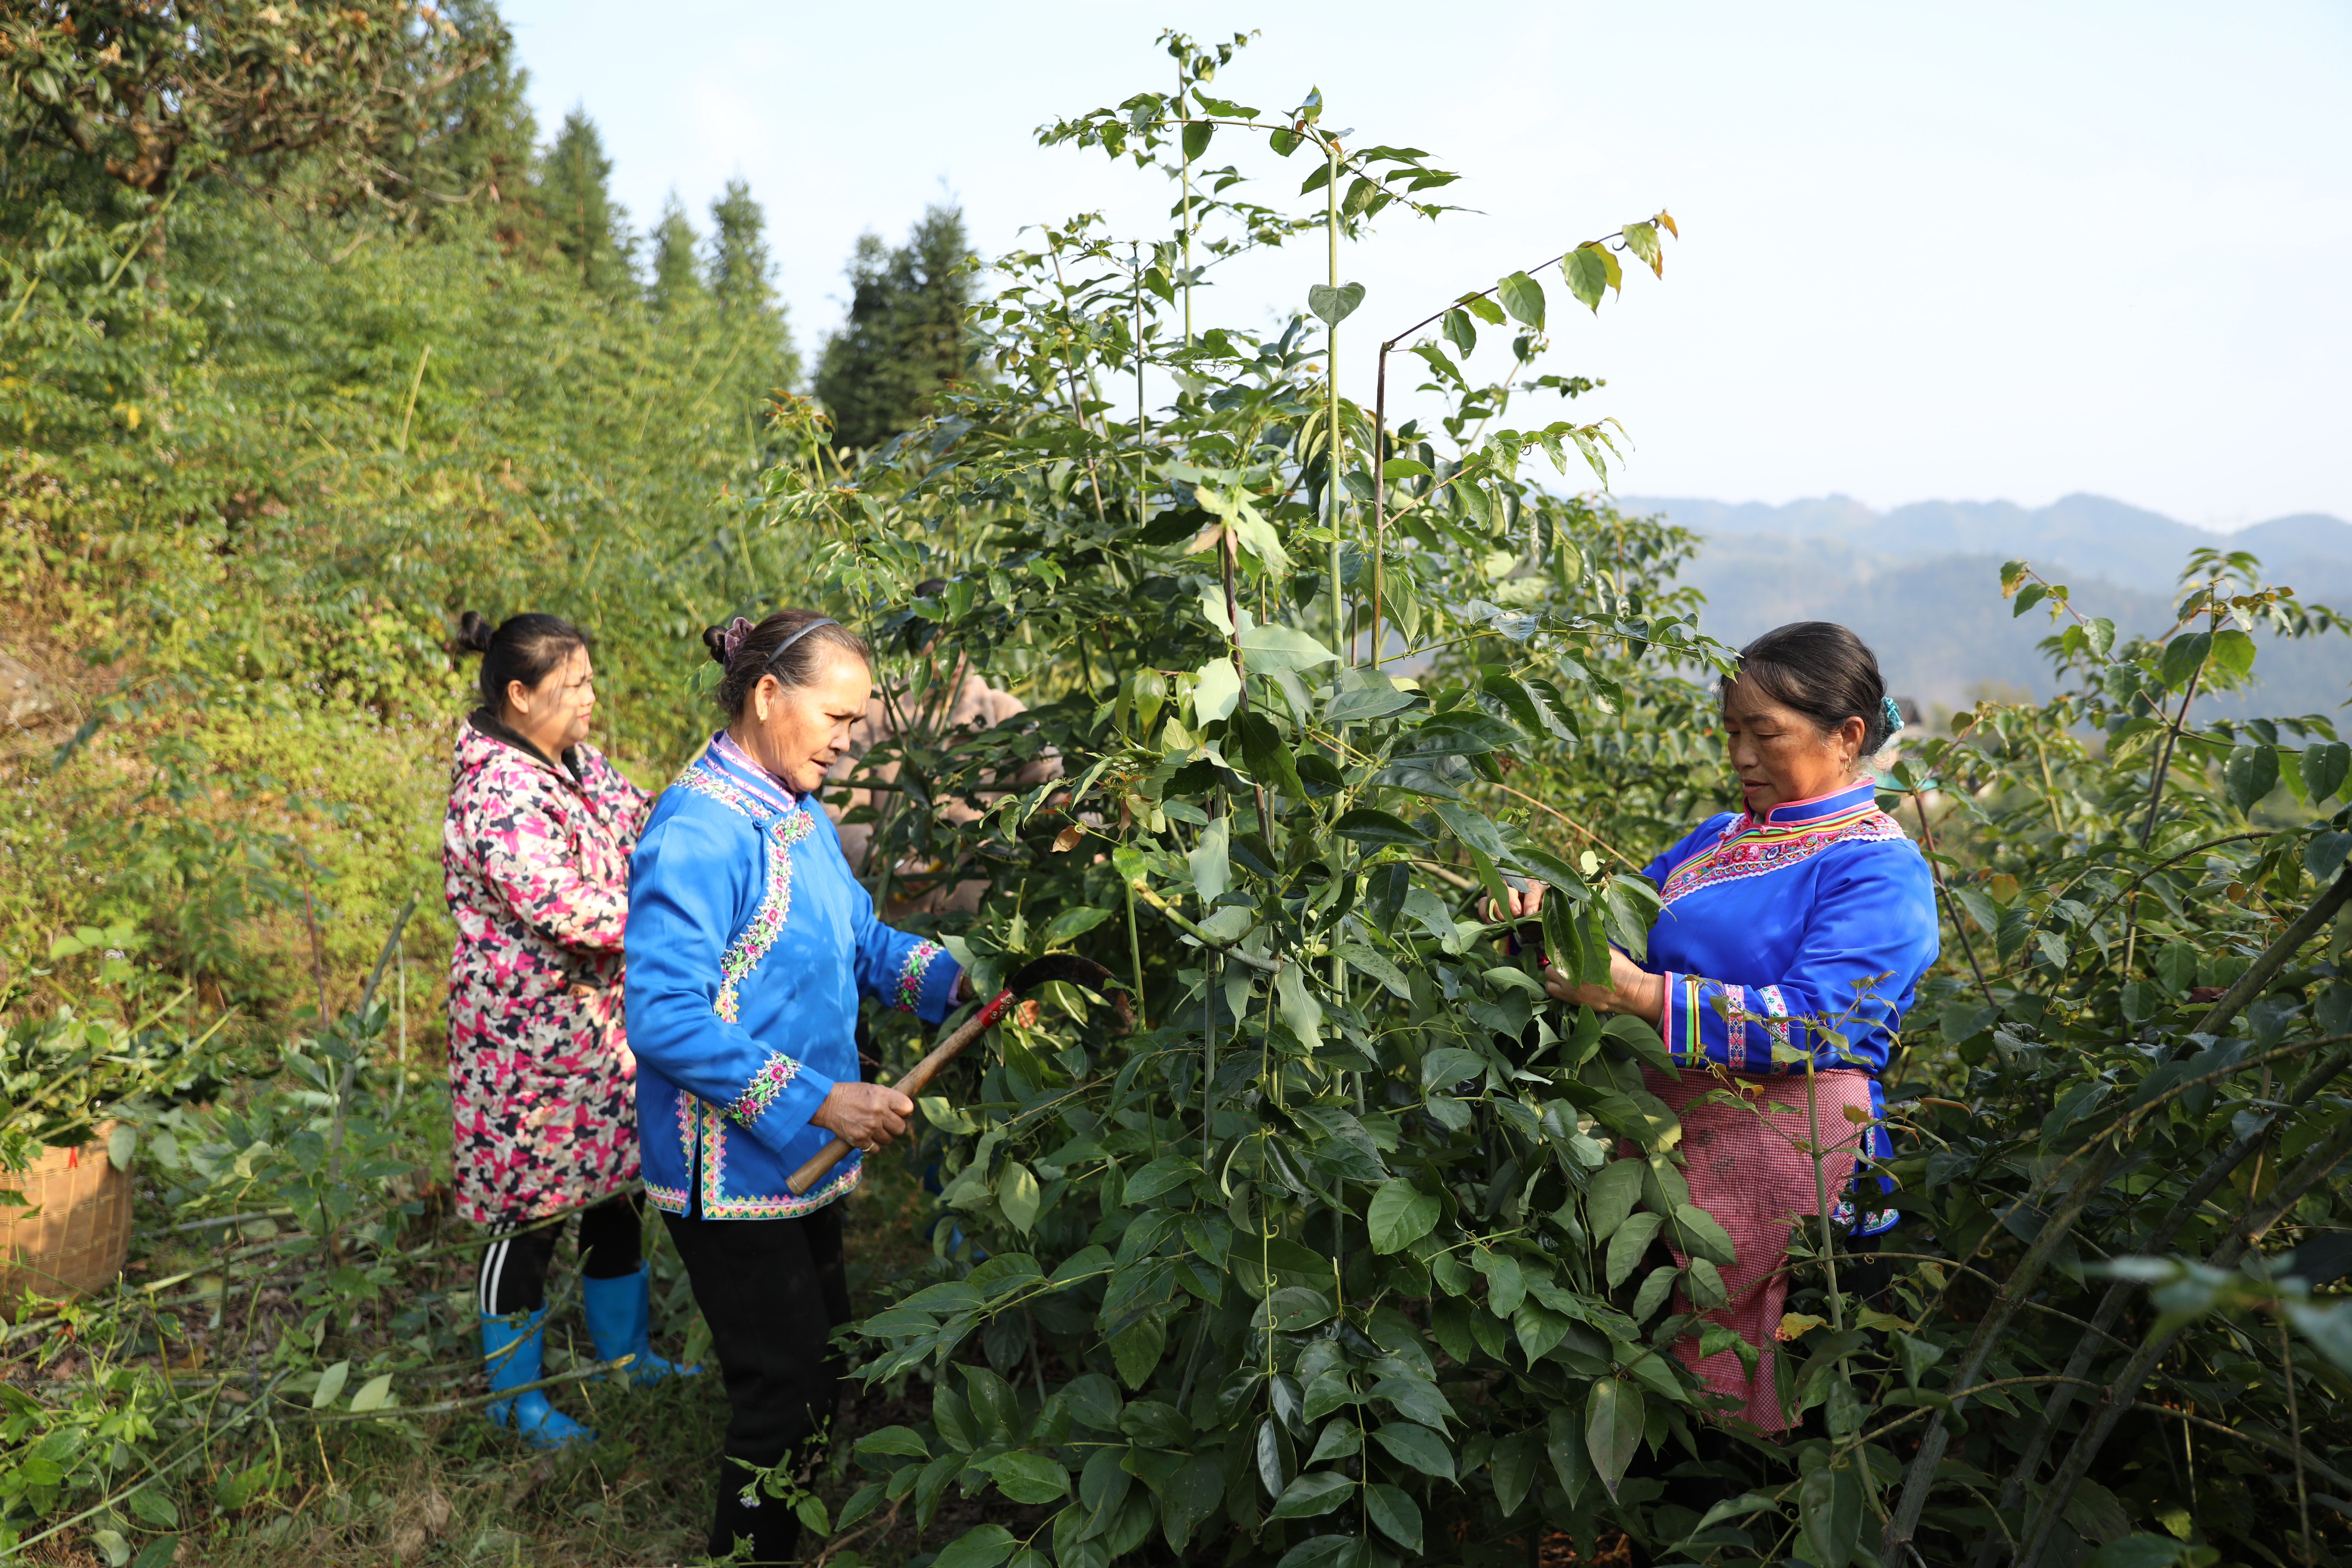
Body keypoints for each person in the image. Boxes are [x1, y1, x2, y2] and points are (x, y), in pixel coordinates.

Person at [1497, 621, 1937, 1432]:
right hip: (1666, 1162)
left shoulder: (1877, 868)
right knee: (1665, 1412)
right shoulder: (1716, 840)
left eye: (1764, 734)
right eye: (1732, 732)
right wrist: (1539, 910)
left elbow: (1819, 1024)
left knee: (1796, 1431)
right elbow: (1616, 930)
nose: (1740, 756)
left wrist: (1644, 999)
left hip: (1803, 1178)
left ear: (1847, 738)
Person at [625, 609, 969, 1566]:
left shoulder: (799, 811)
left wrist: (955, 980)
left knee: (825, 1366)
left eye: (857, 725)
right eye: (837, 718)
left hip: (799, 1159)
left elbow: (861, 943)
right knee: (786, 1387)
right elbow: (663, 1017)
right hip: (731, 1165)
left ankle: (788, 1540)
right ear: (769, 694)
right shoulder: (698, 827)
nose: (847, 744)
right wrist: (824, 1098)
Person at [445, 611, 693, 1449]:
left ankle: (626, 1359)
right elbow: (561, 905)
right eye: (573, 685)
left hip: (593, 1032)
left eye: (590, 679)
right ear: (520, 695)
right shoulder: (496, 786)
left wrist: (705, 823)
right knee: (530, 1215)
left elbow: (644, 819)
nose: (592, 697)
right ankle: (516, 1399)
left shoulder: (574, 761)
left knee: (616, 1190)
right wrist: (671, 921)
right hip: (523, 1046)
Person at [826, 581, 1062, 919]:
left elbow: (1054, 784)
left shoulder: (1005, 717)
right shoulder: (877, 712)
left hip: (985, 922)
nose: (953, 650)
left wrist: (1086, 829)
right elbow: (841, 808)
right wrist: (885, 863)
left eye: (963, 635)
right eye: (937, 634)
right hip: (892, 922)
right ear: (914, 640)